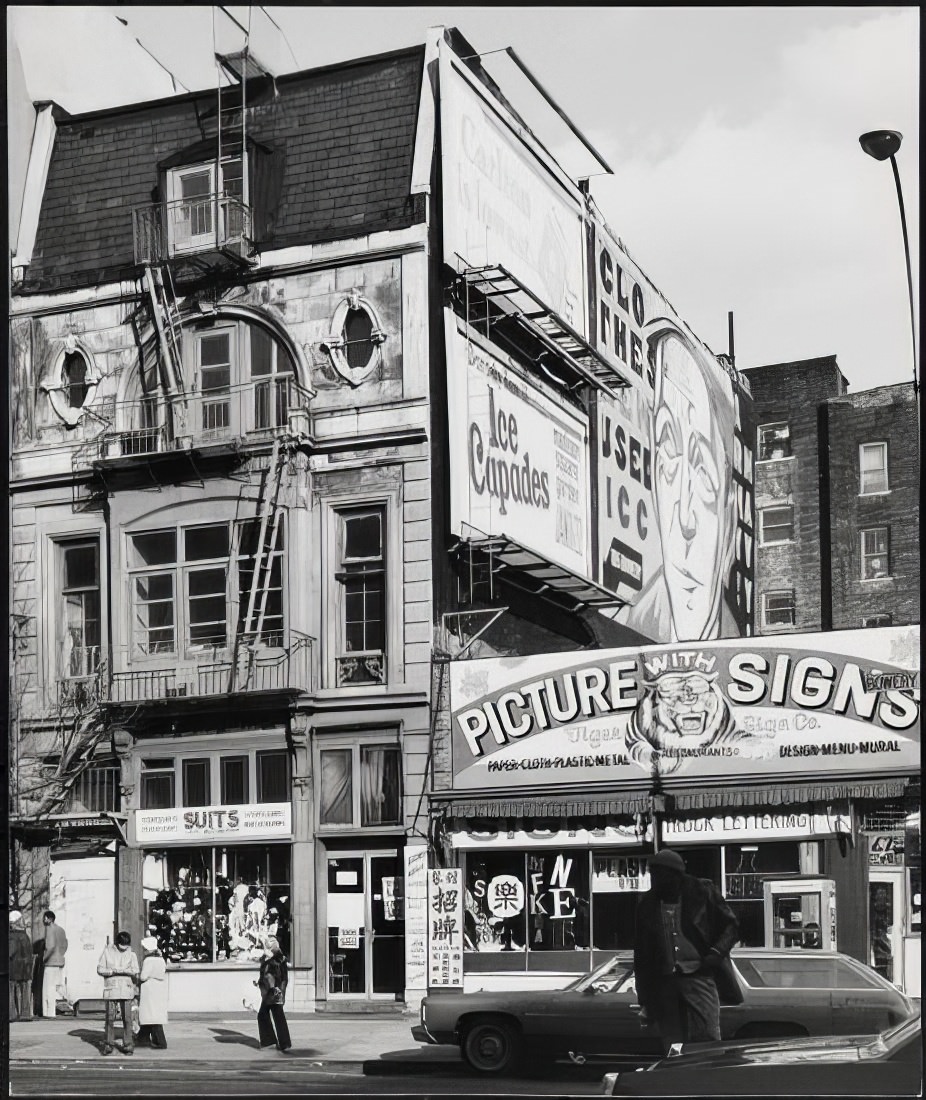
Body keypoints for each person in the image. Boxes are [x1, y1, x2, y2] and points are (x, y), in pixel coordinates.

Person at [618, 322, 740, 643]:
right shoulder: (627, 623)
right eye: (669, 457)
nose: (684, 521)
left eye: (703, 478)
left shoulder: (745, 649)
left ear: (729, 523)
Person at [634, 849, 740, 1051]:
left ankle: (705, 1076)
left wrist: (715, 954)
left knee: (707, 1037)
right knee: (672, 1041)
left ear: (676, 875)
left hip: (699, 975)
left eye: (659, 874)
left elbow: (731, 926)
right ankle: (677, 1077)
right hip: (664, 982)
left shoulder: (703, 891)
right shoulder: (647, 903)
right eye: (652, 873)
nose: (654, 879)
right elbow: (641, 955)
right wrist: (645, 999)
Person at [97, 931, 140, 1056]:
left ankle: (128, 1044)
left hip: (126, 989)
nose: (124, 949)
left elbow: (136, 970)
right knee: (110, 1018)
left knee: (127, 1018)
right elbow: (100, 968)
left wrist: (127, 972)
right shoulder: (107, 952)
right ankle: (109, 1044)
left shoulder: (132, 954)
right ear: (117, 943)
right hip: (112, 989)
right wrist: (111, 972)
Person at [256, 935, 292, 1053]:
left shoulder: (278, 959)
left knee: (267, 1014)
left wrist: (281, 992)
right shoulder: (269, 958)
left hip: (274, 991)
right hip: (270, 991)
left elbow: (281, 978)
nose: (265, 946)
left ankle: (273, 1041)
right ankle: (280, 1042)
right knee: (275, 1015)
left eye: (267, 944)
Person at [136, 936, 168, 1049]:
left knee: (150, 1014)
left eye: (145, 948)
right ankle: (142, 1038)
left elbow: (143, 976)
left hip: (149, 988)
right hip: (159, 988)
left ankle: (160, 1041)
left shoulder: (148, 960)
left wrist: (138, 977)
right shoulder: (161, 959)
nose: (143, 950)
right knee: (153, 1013)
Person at [41, 910, 68, 1018]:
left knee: (48, 988)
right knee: (53, 987)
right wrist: (60, 955)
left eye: (45, 918)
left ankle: (48, 1012)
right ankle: (51, 1012)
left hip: (50, 962)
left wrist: (44, 958)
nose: (44, 920)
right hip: (59, 962)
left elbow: (50, 946)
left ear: (50, 919)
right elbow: (65, 945)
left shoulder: (49, 929)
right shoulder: (61, 930)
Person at [9, 911, 34, 1021]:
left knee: (10, 992)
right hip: (26, 968)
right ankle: (25, 1014)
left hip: (14, 967)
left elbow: (10, 952)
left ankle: (11, 1014)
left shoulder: (12, 936)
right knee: (25, 992)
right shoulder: (25, 936)